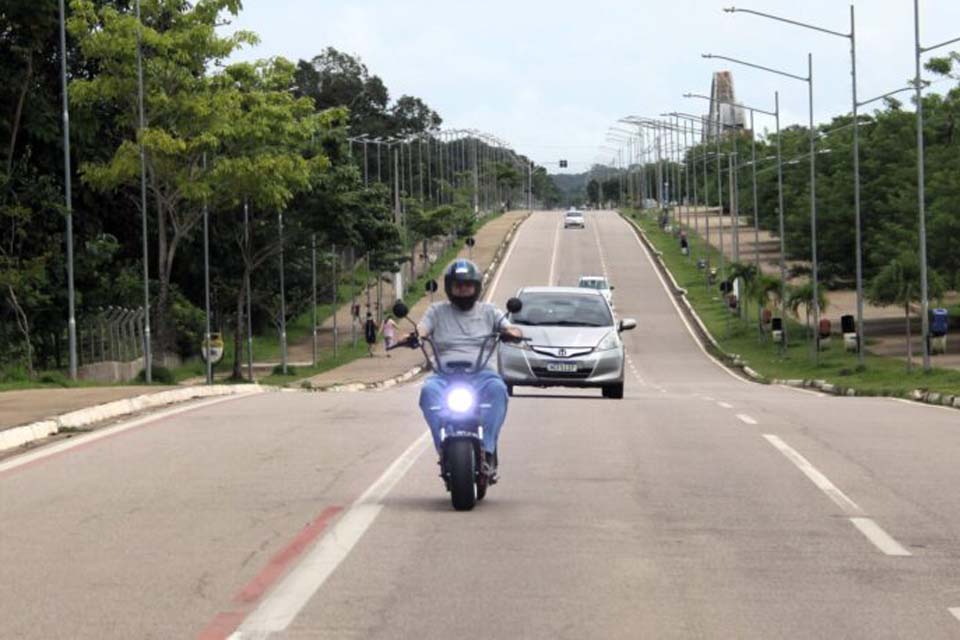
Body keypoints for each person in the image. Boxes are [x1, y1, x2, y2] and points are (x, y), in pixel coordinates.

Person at [410, 259, 522, 478]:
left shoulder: (490, 311)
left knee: (499, 390)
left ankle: (487, 451)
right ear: (449, 288)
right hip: (444, 375)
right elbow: (422, 329)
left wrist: (512, 334)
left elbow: (511, 328)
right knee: (428, 392)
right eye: (458, 286)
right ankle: (443, 448)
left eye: (468, 285)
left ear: (476, 287)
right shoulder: (436, 311)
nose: (463, 290)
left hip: (482, 374)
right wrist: (416, 336)